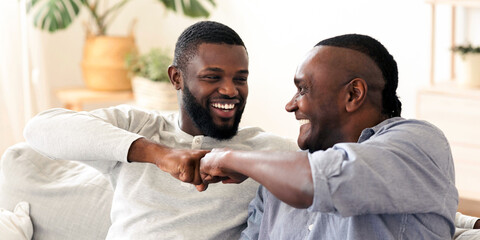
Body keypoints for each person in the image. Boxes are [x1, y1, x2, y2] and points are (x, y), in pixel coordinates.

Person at [23, 21, 297, 240]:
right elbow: (39, 128)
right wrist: (159, 155)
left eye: (240, 79)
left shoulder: (269, 149)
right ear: (176, 78)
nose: (230, 90)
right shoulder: (138, 126)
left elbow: (333, 171)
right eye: (212, 77)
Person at [199, 34, 459, 239]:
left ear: (353, 95)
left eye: (303, 89)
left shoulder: (418, 142)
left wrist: (228, 159)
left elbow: (315, 180)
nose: (290, 105)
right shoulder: (276, 184)